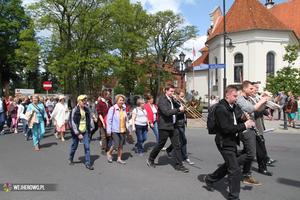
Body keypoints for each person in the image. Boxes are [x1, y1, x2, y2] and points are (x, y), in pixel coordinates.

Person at [204, 85, 254, 200]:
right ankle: (234, 197)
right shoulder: (221, 108)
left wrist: (242, 118)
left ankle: (210, 178)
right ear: (227, 95)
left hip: (231, 141)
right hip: (224, 142)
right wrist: (245, 125)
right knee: (234, 169)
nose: (236, 98)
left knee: (230, 165)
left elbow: (235, 120)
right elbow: (226, 128)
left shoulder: (233, 106)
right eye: (235, 96)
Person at [146, 84, 189, 172]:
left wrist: (184, 109)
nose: (173, 93)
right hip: (164, 126)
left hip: (173, 126)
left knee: (177, 145)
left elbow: (176, 112)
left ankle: (179, 165)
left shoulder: (172, 100)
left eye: (173, 91)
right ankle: (151, 158)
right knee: (161, 144)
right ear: (166, 90)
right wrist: (178, 109)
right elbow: (167, 112)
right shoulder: (162, 100)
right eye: (171, 91)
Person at [236, 80, 268, 186]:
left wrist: (263, 102)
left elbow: (255, 110)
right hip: (245, 130)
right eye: (250, 89)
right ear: (244, 88)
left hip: (251, 128)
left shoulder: (247, 98)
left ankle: (247, 175)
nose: (252, 91)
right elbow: (250, 108)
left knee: (248, 152)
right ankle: (231, 165)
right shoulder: (240, 98)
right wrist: (261, 101)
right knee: (251, 154)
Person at [249, 85, 274, 176]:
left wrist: (266, 104)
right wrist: (262, 102)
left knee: (251, 150)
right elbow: (254, 110)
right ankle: (262, 167)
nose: (256, 92)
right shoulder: (249, 100)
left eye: (256, 90)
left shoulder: (256, 99)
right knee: (259, 149)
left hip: (259, 127)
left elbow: (262, 109)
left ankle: (235, 161)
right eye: (254, 90)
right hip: (253, 128)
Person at [165, 90, 194, 165]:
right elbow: (176, 112)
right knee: (183, 140)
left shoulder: (182, 102)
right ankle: (185, 157)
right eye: (181, 96)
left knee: (178, 141)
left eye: (183, 96)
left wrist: (187, 109)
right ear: (177, 96)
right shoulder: (175, 103)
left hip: (182, 123)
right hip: (178, 124)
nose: (183, 97)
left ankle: (169, 150)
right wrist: (184, 110)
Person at [69, 95, 94, 170]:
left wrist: (89, 131)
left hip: (85, 130)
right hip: (77, 131)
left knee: (87, 147)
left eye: (85, 100)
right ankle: (71, 158)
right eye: (82, 100)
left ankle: (88, 163)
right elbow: (72, 122)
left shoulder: (86, 109)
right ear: (78, 101)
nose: (84, 101)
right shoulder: (75, 110)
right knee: (74, 146)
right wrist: (78, 133)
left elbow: (89, 121)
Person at [106, 94, 131, 165]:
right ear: (116, 101)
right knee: (115, 144)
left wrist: (128, 129)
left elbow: (126, 120)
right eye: (120, 100)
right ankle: (109, 153)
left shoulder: (124, 108)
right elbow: (109, 120)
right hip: (115, 129)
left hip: (122, 129)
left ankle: (119, 158)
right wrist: (109, 131)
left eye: (123, 100)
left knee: (121, 144)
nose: (122, 102)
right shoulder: (112, 108)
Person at [97, 89, 113, 155]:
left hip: (109, 122)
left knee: (109, 135)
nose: (109, 95)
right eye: (108, 94)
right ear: (104, 95)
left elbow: (112, 109)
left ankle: (107, 147)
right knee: (103, 136)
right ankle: (103, 149)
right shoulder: (100, 103)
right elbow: (99, 113)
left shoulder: (109, 101)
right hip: (102, 122)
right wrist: (103, 122)